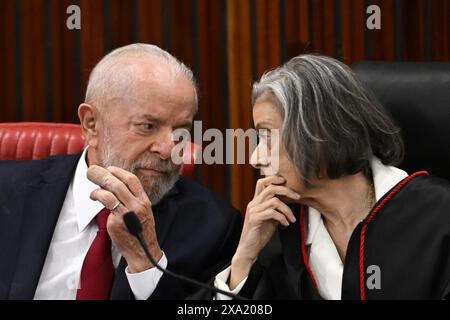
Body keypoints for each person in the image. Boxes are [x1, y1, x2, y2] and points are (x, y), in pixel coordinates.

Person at [0, 43, 242, 300]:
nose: (168, 148)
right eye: (148, 126)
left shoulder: (212, 226)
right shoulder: (8, 191)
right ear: (91, 124)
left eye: (181, 131)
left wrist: (145, 262)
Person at [209, 54, 450, 300]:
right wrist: (243, 259)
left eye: (267, 136)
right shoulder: (278, 232)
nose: (255, 159)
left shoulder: (439, 216)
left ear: (318, 132)